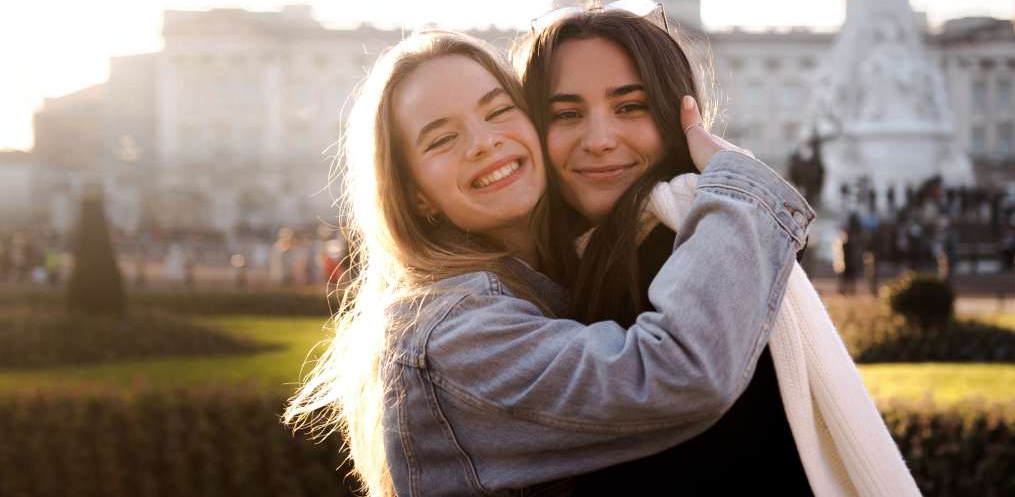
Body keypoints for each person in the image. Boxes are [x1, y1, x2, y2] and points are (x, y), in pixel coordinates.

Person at [283, 29, 814, 496]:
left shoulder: (548, 281)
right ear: (415, 193)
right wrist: (736, 182)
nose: (484, 142)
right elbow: (675, 374)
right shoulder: (451, 334)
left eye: (497, 111)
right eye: (443, 139)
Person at [518, 4, 919, 496]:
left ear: (677, 116)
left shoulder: (673, 254)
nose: (599, 140)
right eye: (567, 114)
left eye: (630, 107)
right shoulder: (636, 245)